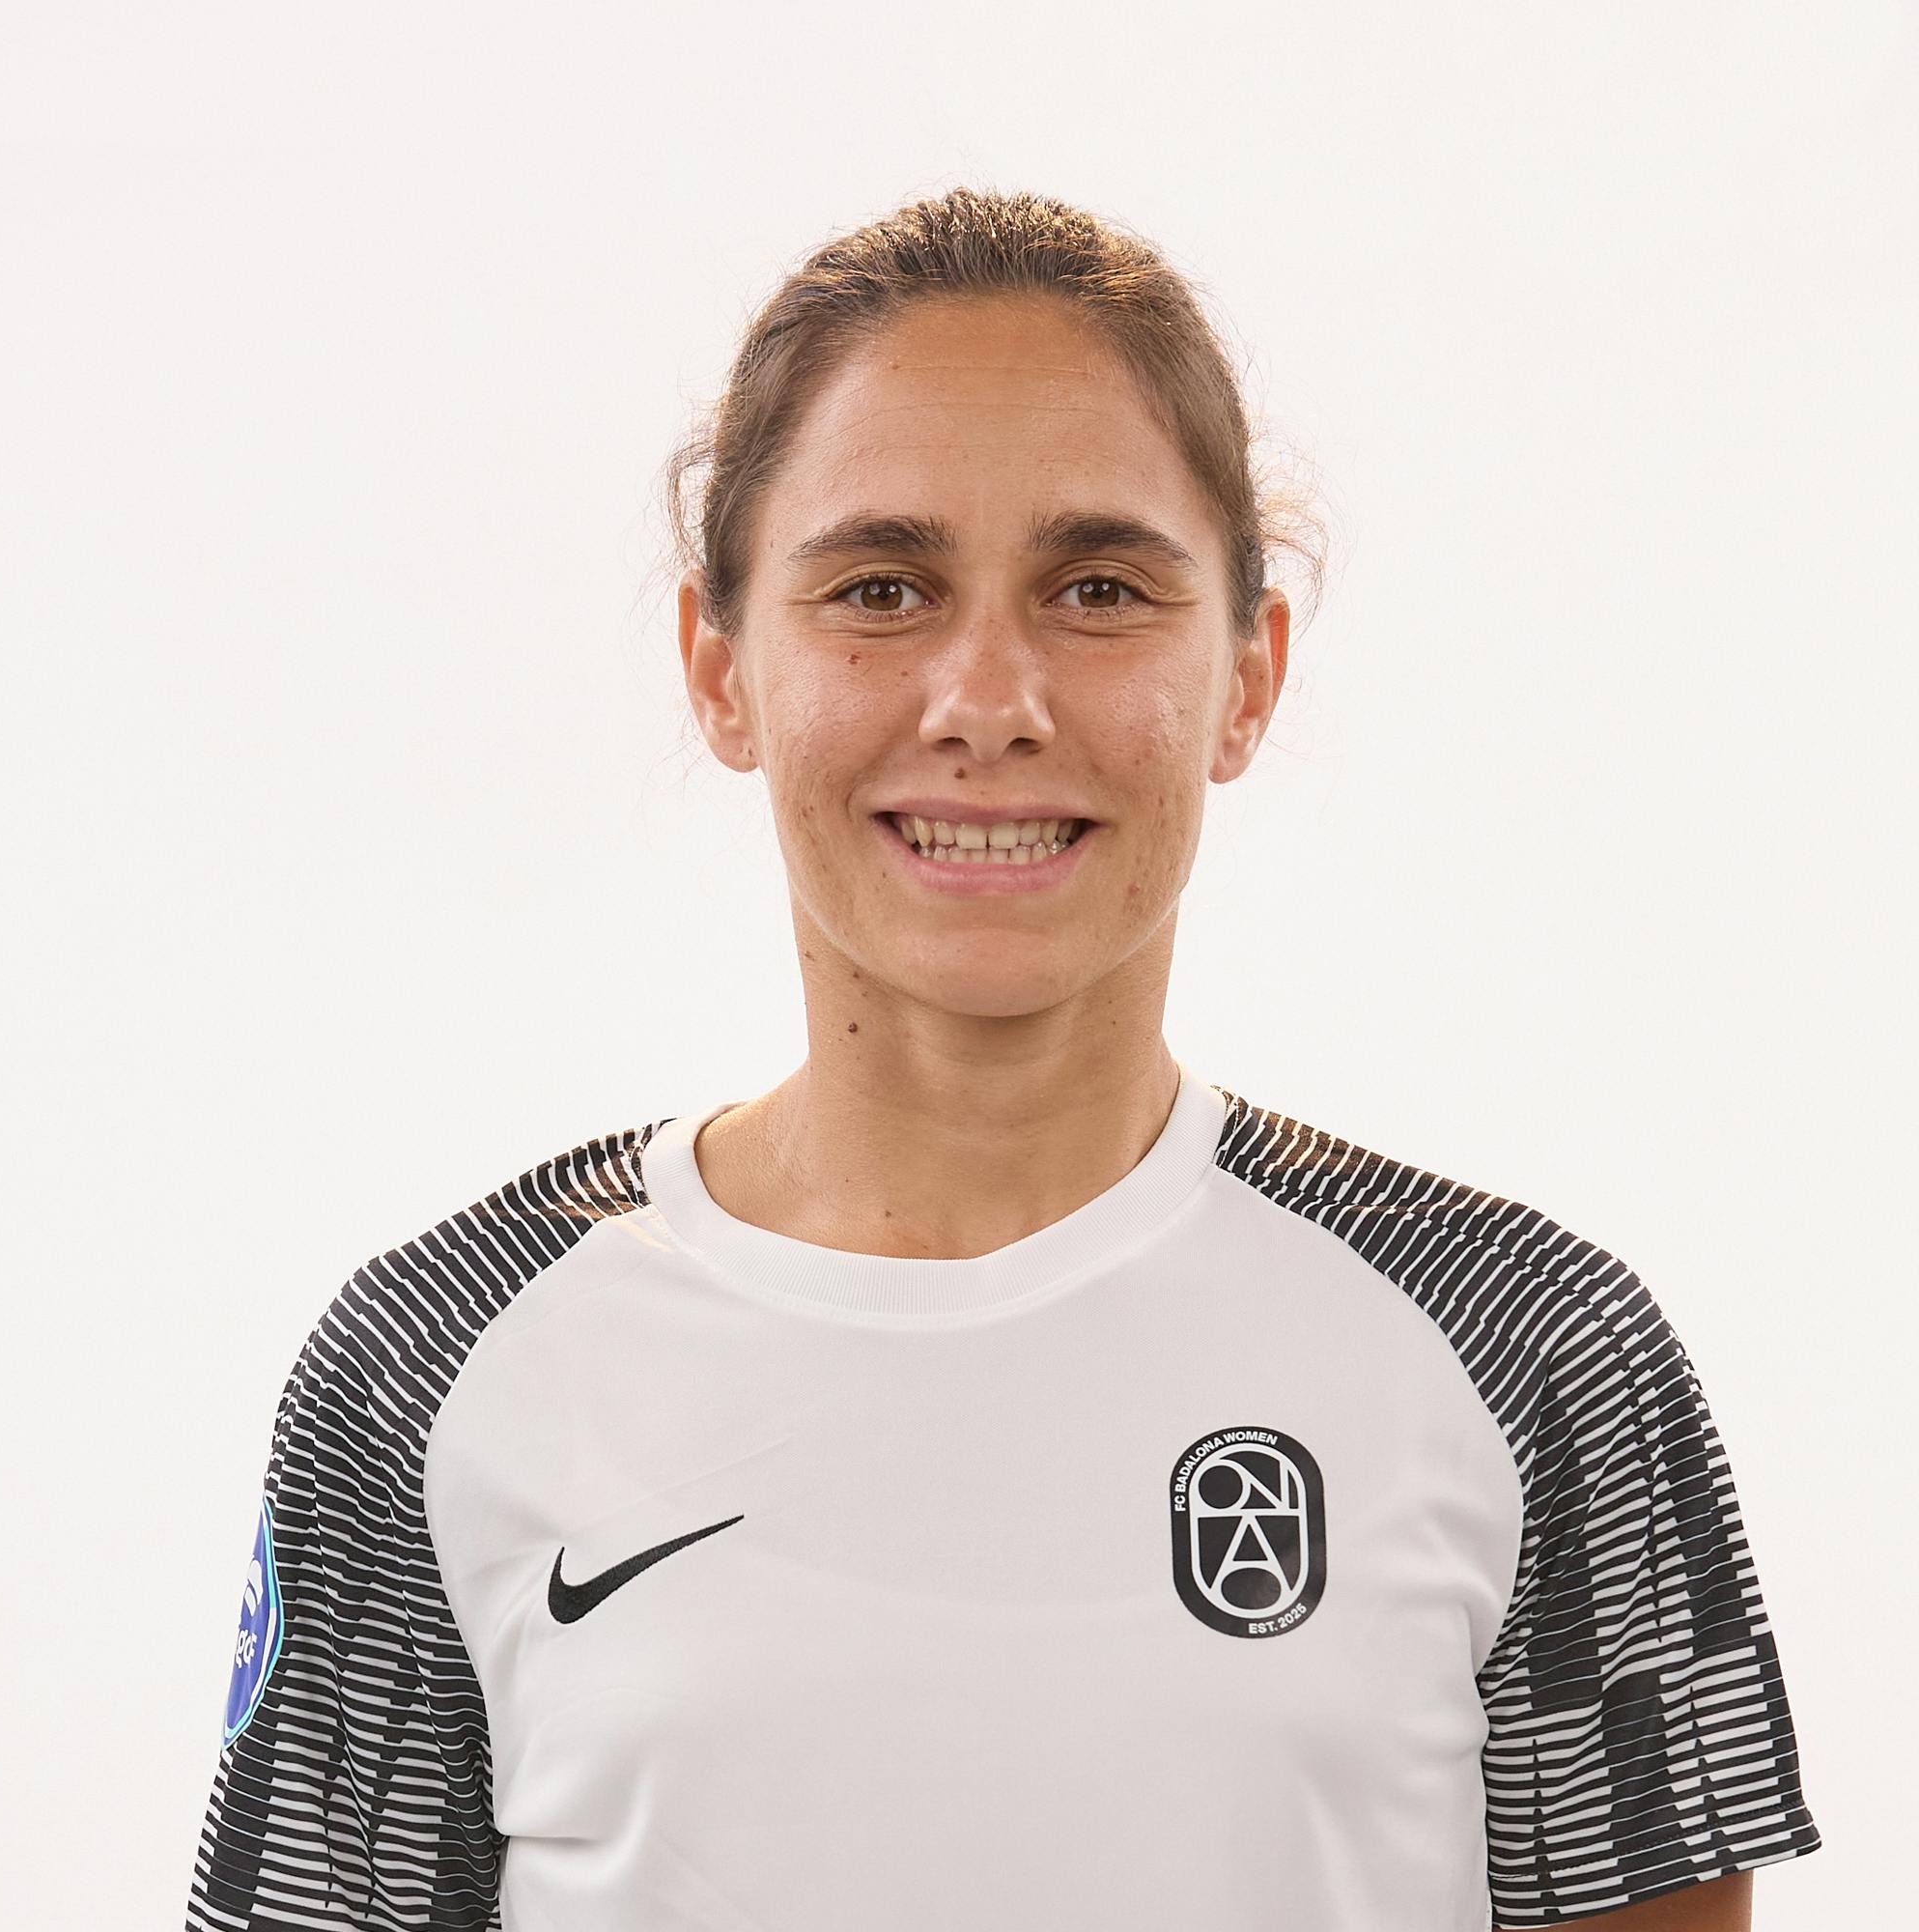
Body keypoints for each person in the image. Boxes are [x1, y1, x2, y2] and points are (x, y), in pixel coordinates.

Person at [183, 187, 1820, 1932]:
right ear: (721, 669)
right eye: (881, 589)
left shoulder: (1535, 1351)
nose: (987, 701)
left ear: (1247, 674)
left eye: (1098, 589)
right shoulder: (431, 1368)